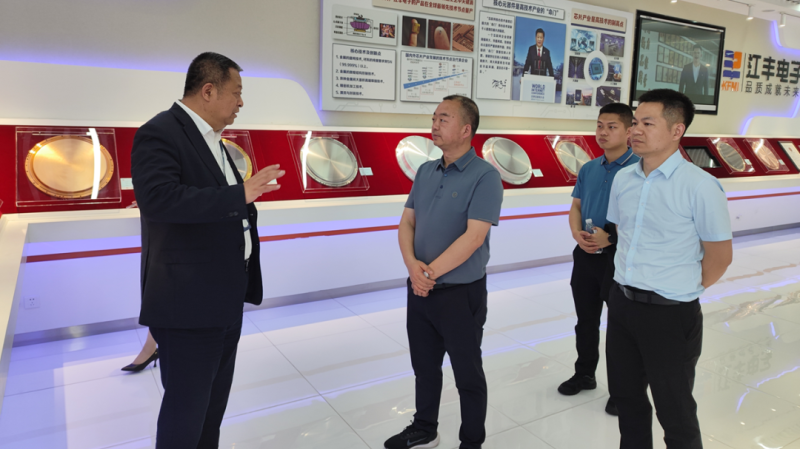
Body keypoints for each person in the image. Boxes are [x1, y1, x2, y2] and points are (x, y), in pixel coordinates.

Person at [131, 52, 284, 449]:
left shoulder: (214, 140)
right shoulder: (160, 132)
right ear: (209, 91)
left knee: (211, 408)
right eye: (236, 93)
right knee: (186, 411)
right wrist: (240, 195)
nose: (240, 102)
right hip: (188, 303)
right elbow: (159, 200)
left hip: (223, 298)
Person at [606, 89, 732, 449]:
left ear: (677, 130)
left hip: (670, 313)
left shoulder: (700, 186)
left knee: (674, 410)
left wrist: (682, 287)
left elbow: (720, 256)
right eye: (635, 122)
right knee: (626, 399)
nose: (635, 130)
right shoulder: (623, 179)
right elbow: (622, 233)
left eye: (647, 123)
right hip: (623, 304)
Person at [384, 95, 503, 449]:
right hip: (420, 289)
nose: (434, 124)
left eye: (443, 119)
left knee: (467, 372)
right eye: (434, 117)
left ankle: (472, 439)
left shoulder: (485, 176)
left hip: (459, 294)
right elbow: (407, 222)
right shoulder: (425, 171)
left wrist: (428, 274)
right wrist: (412, 267)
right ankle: (425, 428)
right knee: (424, 366)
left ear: (466, 130)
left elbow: (474, 237)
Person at [558, 103, 639, 417]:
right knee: (585, 320)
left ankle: (622, 390)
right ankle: (584, 374)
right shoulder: (589, 168)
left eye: (612, 127)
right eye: (600, 126)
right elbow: (576, 206)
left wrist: (612, 238)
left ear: (629, 131)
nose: (603, 132)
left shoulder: (639, 170)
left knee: (620, 328)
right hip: (586, 256)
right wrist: (576, 233)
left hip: (619, 258)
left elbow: (642, 220)